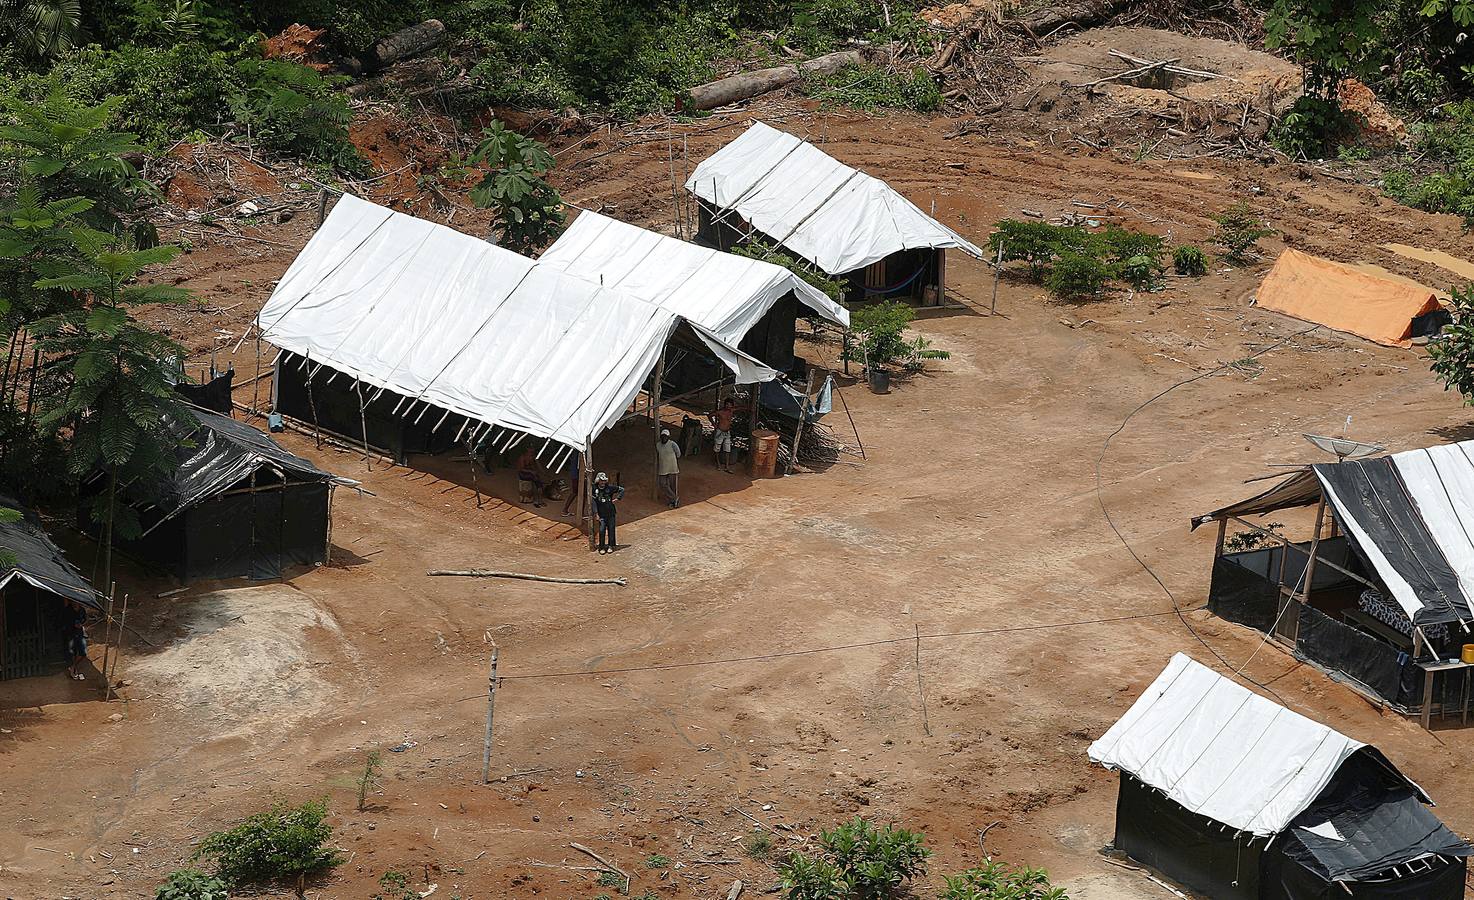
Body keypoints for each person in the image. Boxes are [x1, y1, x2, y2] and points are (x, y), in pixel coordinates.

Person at [592, 472, 624, 553]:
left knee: (611, 529)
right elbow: (593, 502)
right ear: (598, 481)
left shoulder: (609, 488)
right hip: (601, 514)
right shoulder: (594, 489)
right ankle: (601, 547)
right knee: (602, 530)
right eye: (601, 480)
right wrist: (596, 513)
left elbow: (622, 490)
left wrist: (617, 499)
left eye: (604, 481)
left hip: (611, 513)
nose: (603, 482)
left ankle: (611, 546)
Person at [708, 398, 737, 473]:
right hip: (720, 431)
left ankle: (727, 466)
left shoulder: (731, 411)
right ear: (724, 405)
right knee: (717, 448)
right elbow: (710, 415)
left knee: (727, 449)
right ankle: (718, 464)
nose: (728, 407)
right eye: (727, 405)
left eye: (730, 405)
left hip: (727, 432)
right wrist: (713, 424)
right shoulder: (720, 412)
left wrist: (748, 408)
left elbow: (740, 408)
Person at [656, 428, 682, 508]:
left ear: (668, 437)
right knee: (662, 484)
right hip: (663, 468)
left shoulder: (672, 444)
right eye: (662, 437)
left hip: (672, 468)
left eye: (665, 437)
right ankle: (674, 498)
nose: (664, 438)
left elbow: (678, 454)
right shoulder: (658, 445)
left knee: (673, 485)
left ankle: (673, 502)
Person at [65, 601, 88, 681]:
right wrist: (72, 625)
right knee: (73, 652)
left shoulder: (82, 610)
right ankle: (73, 669)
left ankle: (73, 667)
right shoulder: (67, 610)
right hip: (71, 633)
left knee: (83, 653)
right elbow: (64, 621)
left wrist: (81, 624)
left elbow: (85, 619)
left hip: (80, 633)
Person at [560, 451, 581, 518]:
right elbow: (578, 465)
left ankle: (566, 509)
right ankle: (565, 510)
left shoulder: (576, 452)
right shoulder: (579, 451)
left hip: (575, 474)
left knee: (577, 492)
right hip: (576, 475)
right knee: (576, 492)